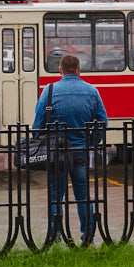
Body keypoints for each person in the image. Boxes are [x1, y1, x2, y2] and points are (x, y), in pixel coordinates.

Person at [31, 53, 108, 244]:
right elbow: (102, 121)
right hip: (80, 150)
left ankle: (56, 236)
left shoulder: (48, 91)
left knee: (56, 195)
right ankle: (86, 236)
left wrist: (40, 142)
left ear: (60, 70)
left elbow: (38, 124)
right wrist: (92, 141)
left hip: (56, 154)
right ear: (79, 69)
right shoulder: (92, 91)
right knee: (82, 195)